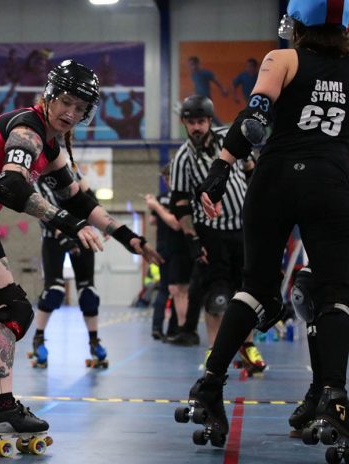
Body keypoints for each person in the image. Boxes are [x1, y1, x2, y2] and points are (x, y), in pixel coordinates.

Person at [0, 59, 162, 451]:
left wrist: (129, 237)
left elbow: (80, 199)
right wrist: (68, 224)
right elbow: (12, 185)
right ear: (48, 94)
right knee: (13, 310)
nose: (71, 113)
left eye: (81, 108)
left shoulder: (48, 143)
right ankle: (4, 408)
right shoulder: (28, 128)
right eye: (65, 102)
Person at [178, 1, 349, 451]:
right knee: (333, 291)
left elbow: (254, 117)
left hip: (274, 180)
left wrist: (219, 170)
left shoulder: (283, 58)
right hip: (331, 181)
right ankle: (332, 398)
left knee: (256, 290)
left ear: (297, 24)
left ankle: (210, 387)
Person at [169, 94, 265, 373]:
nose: (196, 127)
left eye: (201, 121)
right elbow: (181, 204)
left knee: (247, 292)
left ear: (210, 121)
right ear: (183, 123)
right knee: (216, 295)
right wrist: (193, 239)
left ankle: (247, 347)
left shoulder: (227, 138)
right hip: (211, 232)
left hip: (243, 227)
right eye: (191, 122)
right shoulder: (182, 159)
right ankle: (214, 351)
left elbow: (251, 167)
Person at [29, 166, 109, 368]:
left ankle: (93, 341)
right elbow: (43, 212)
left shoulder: (70, 169)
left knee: (88, 292)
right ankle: (38, 338)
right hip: (53, 237)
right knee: (54, 291)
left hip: (81, 232)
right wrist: (65, 239)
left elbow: (88, 197)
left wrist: (104, 223)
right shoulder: (35, 175)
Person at [145, 162, 191, 340]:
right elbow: (153, 221)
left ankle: (177, 328)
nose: (166, 181)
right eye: (165, 178)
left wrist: (157, 207)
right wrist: (155, 206)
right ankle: (169, 328)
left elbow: (174, 222)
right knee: (170, 288)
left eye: (168, 178)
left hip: (178, 248)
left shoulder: (176, 197)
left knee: (176, 289)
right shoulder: (165, 196)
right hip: (166, 247)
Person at [187, 56, 228, 125]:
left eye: (192, 64)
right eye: (190, 65)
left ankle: (221, 126)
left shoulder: (205, 73)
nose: (191, 67)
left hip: (205, 98)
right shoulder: (193, 75)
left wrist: (223, 89)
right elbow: (198, 87)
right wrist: (193, 94)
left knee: (207, 114)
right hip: (198, 98)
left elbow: (216, 80)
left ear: (197, 64)